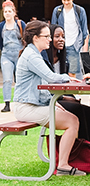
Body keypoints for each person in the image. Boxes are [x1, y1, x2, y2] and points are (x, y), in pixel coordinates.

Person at [13, 20, 85, 176]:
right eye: (46, 36)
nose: (50, 39)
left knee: (73, 116)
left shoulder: (34, 54)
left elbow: (44, 88)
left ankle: (68, 161)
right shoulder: (31, 56)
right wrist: (69, 78)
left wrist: (52, 104)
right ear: (35, 38)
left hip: (33, 106)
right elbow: (51, 78)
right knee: (72, 121)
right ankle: (63, 166)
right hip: (25, 108)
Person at [42, 23, 90, 141]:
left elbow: (62, 88)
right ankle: (82, 147)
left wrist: (69, 97)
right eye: (57, 36)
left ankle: (86, 147)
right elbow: (45, 87)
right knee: (78, 109)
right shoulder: (42, 60)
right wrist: (66, 98)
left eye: (63, 36)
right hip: (47, 102)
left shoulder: (64, 61)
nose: (61, 39)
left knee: (86, 110)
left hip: (58, 98)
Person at [51, 0, 89, 80]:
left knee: (72, 73)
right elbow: (52, 29)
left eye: (68, 0)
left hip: (74, 45)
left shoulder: (80, 11)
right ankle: (61, 93)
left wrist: (84, 49)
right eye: (64, 0)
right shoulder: (57, 11)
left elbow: (85, 32)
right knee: (59, 71)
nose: (66, 2)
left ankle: (71, 94)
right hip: (60, 45)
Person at [0, 0, 26, 113]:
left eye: (9, 11)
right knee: (7, 79)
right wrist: (4, 49)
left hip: (19, 54)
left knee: (20, 79)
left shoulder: (20, 24)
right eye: (5, 12)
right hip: (6, 55)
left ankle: (20, 101)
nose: (7, 14)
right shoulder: (0, 26)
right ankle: (7, 103)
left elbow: (26, 36)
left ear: (14, 12)